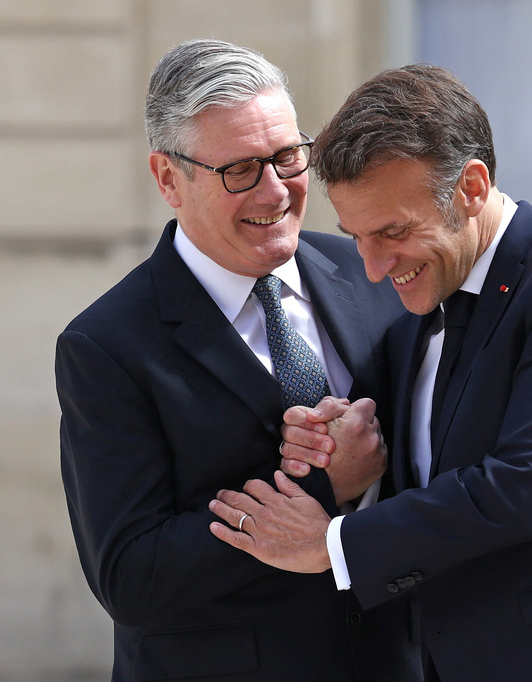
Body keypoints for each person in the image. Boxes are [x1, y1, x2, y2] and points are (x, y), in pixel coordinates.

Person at [208, 64, 532, 681]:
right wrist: (342, 449)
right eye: (356, 236)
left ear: (472, 188)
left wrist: (334, 544)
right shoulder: (410, 324)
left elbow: (526, 481)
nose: (372, 268)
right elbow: (416, 486)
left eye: (393, 232)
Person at [56, 40, 420, 682]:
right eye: (241, 170)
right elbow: (131, 575)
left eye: (287, 157)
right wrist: (324, 483)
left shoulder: (375, 271)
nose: (275, 191)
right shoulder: (108, 345)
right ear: (169, 179)